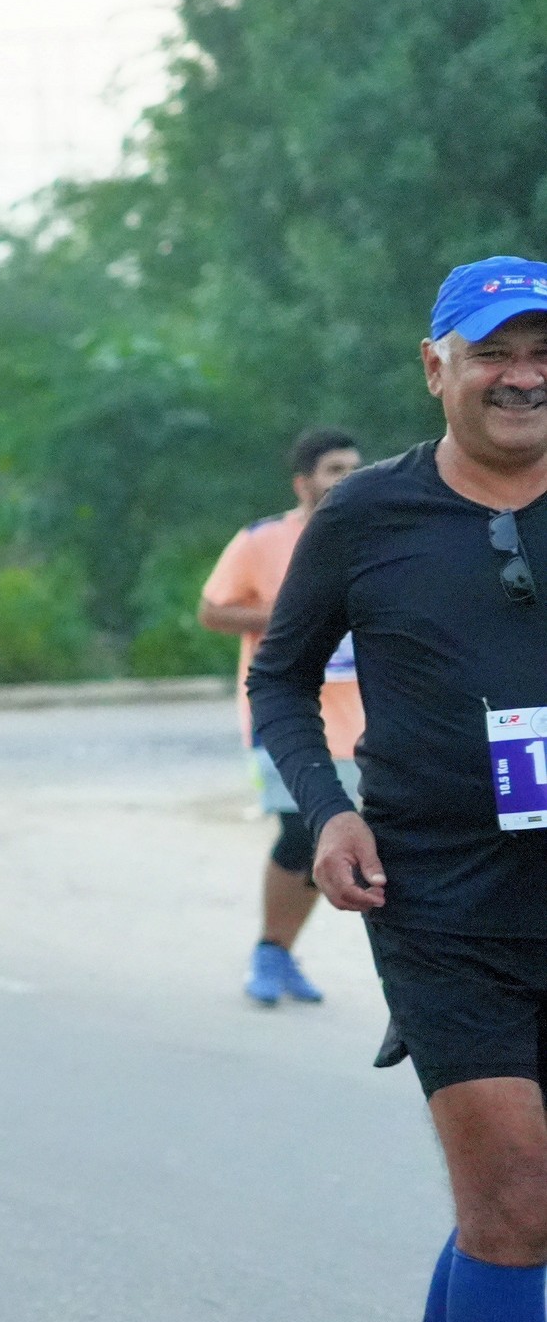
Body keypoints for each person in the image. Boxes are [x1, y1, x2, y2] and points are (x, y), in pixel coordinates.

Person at [256, 256, 547, 1322]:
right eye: (494, 349)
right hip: (437, 898)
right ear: (434, 365)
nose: (523, 374)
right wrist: (324, 812)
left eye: (543, 350)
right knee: (514, 1202)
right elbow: (278, 677)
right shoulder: (367, 514)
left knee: (517, 1212)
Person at [200, 427, 365, 1004]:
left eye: (354, 468)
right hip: (286, 715)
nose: (347, 479)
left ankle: (284, 952)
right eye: (335, 470)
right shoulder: (262, 540)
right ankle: (270, 950)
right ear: (303, 482)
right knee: (300, 831)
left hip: (361, 722)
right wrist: (294, 614)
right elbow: (213, 611)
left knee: (335, 840)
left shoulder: (373, 532)